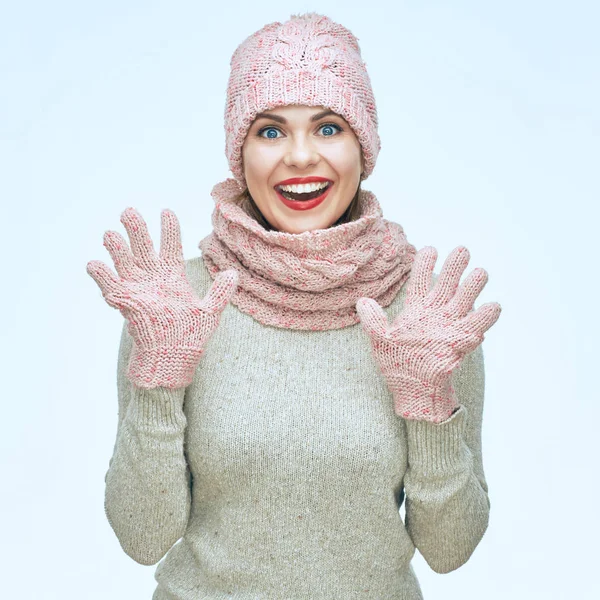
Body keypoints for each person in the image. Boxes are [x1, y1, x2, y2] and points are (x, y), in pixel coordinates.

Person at [86, 12, 502, 599]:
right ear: (240, 152)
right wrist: (158, 382)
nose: (301, 156)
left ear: (365, 146)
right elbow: (141, 537)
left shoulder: (425, 315)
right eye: (271, 130)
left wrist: (429, 406)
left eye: (329, 127)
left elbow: (449, 549)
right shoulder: (176, 304)